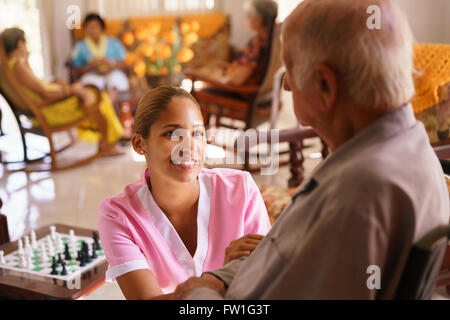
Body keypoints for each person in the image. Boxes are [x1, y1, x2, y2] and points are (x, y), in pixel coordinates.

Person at [172, 0, 450, 300]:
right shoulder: (408, 147)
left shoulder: (358, 194)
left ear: (324, 84)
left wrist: (197, 296)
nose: (288, 85)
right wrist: (220, 278)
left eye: (289, 68)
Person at [98, 86, 271, 299]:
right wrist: (220, 279)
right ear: (140, 144)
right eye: (172, 133)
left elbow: (267, 283)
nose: (188, 146)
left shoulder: (241, 189)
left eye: (197, 133)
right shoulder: (119, 215)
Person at [1, 27, 124, 155]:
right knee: (98, 97)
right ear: (20, 44)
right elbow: (45, 94)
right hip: (49, 112)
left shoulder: (10, 67)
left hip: (45, 108)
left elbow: (36, 89)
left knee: (92, 94)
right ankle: (107, 144)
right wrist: (73, 91)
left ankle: (106, 141)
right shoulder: (17, 66)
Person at [196, 0, 278, 86]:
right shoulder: (271, 41)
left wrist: (216, 81)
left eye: (249, 16)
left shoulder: (257, 44)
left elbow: (237, 80)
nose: (247, 20)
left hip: (235, 92)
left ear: (258, 20)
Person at [71, 13, 130, 102]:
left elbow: (125, 63)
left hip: (113, 73)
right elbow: (76, 69)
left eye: (95, 27)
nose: (92, 30)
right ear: (85, 29)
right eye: (89, 27)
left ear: (102, 28)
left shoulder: (114, 43)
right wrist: (92, 66)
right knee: (90, 87)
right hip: (92, 75)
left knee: (115, 82)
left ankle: (107, 108)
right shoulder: (80, 47)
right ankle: (99, 111)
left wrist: (111, 64)